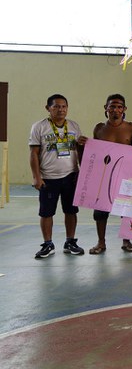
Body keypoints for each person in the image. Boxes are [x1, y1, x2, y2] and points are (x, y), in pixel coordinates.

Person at [29, 94, 87, 258]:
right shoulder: (39, 127)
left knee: (71, 211)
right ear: (48, 108)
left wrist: (82, 169)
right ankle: (48, 244)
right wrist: (36, 177)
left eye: (64, 106)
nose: (61, 110)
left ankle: (70, 241)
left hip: (70, 176)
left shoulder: (74, 126)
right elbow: (33, 154)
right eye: (56, 106)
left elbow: (79, 151)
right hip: (48, 177)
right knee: (46, 213)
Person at [89, 94, 132, 254]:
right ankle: (101, 242)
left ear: (124, 109)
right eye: (112, 106)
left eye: (119, 107)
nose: (115, 110)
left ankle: (127, 241)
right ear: (105, 108)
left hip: (126, 175)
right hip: (104, 176)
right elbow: (95, 152)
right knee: (100, 211)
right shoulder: (99, 129)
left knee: (125, 209)